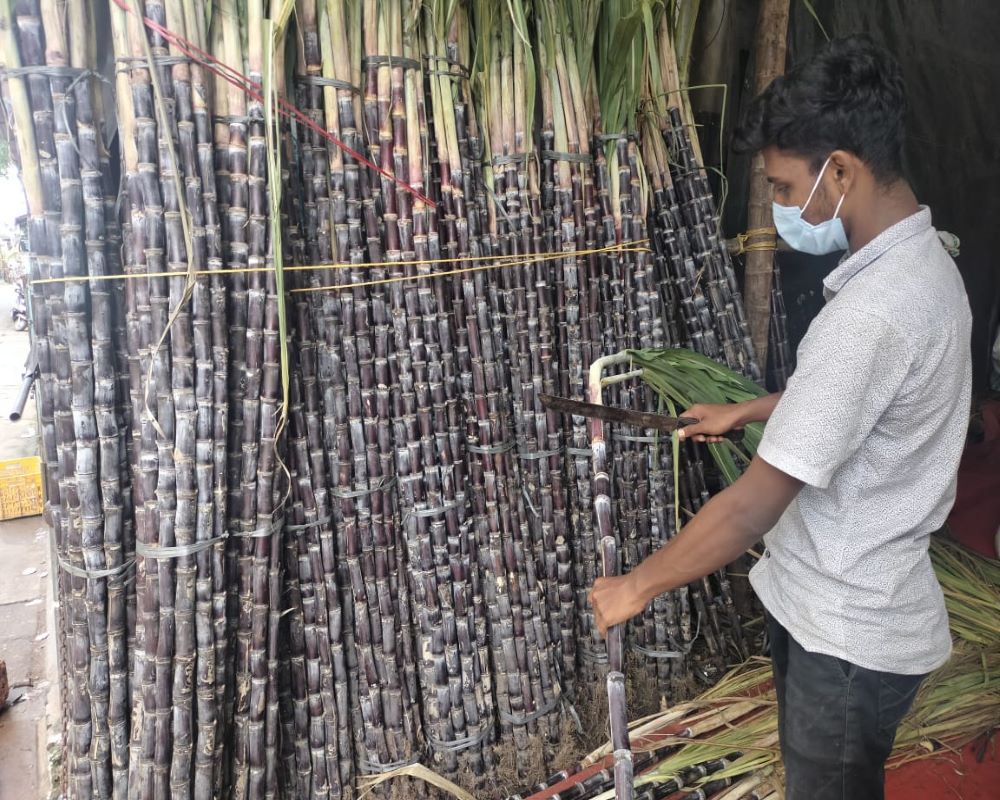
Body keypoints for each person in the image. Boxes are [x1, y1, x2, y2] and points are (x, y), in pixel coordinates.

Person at [589, 34, 971, 800]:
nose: (783, 208)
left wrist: (637, 585)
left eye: (787, 188)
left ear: (841, 170)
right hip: (867, 611)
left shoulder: (871, 315)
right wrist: (748, 409)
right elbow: (861, 396)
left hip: (847, 637)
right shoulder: (926, 264)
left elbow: (750, 507)